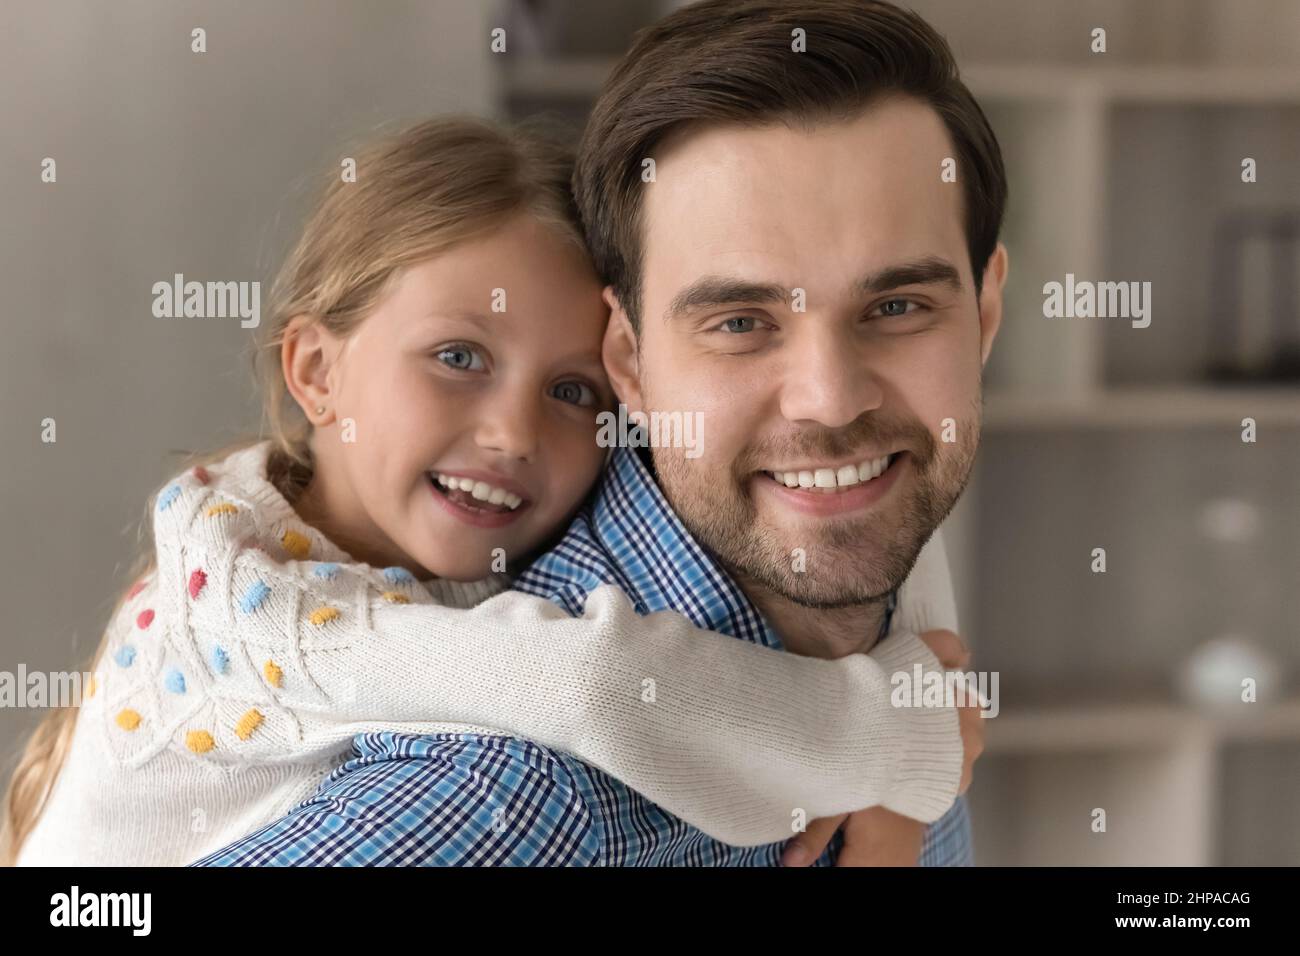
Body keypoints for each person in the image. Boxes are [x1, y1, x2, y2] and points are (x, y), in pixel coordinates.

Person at [3, 113, 972, 867]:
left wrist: (907, 714)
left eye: (569, 389)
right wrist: (897, 739)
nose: (514, 433)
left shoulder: (421, 518)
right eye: (457, 356)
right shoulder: (259, 611)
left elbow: (848, 479)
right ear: (316, 370)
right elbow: (590, 684)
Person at [194, 0, 1008, 867]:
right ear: (631, 359)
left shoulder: (892, 605)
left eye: (897, 307)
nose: (832, 402)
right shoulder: (511, 799)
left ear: (986, 312)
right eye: (738, 321)